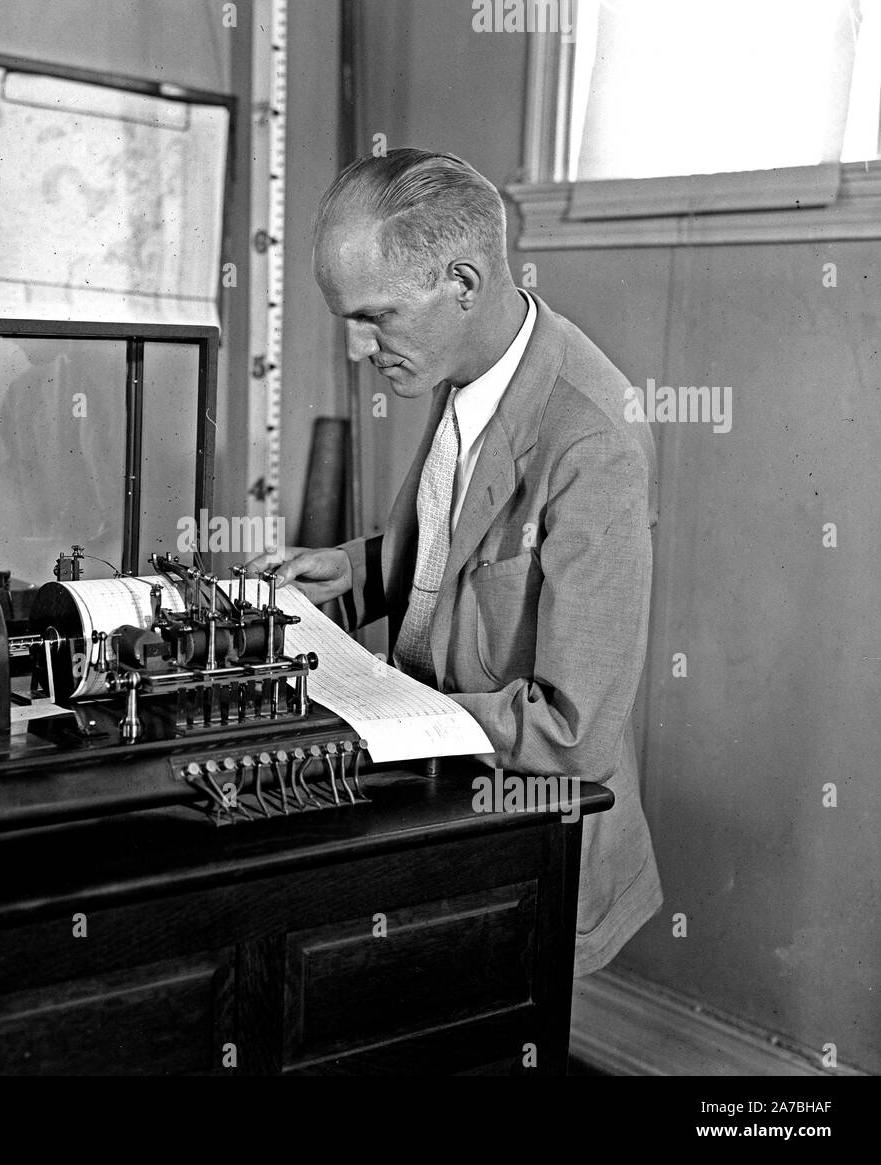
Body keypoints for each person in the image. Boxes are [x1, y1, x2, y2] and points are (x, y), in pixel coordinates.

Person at [249, 149, 661, 975]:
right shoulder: (465, 364)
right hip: (440, 796)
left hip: (527, 836)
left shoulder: (593, 439)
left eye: (377, 317)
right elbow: (464, 545)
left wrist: (387, 718)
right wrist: (361, 571)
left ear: (463, 284)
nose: (363, 347)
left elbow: (572, 737)